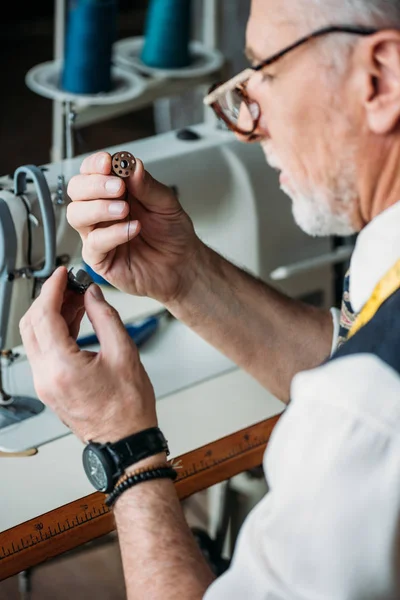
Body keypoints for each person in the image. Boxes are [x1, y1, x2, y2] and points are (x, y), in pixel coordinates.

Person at [19, 0, 400, 597]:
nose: (244, 124)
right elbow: (350, 355)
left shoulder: (364, 417)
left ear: (381, 79)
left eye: (264, 75)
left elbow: (365, 403)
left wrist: (124, 446)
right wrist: (185, 276)